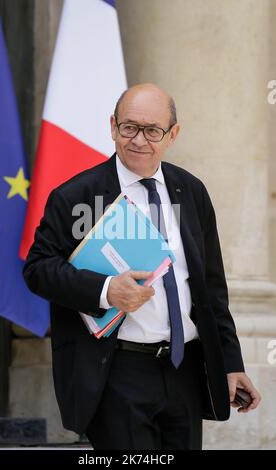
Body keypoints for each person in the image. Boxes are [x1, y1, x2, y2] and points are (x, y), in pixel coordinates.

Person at [23, 83, 261, 450]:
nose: (138, 140)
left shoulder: (191, 190)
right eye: (129, 127)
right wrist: (104, 291)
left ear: (172, 135)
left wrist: (230, 362)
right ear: (113, 126)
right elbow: (38, 269)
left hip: (185, 371)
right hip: (118, 372)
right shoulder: (77, 195)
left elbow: (211, 287)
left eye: (152, 130)